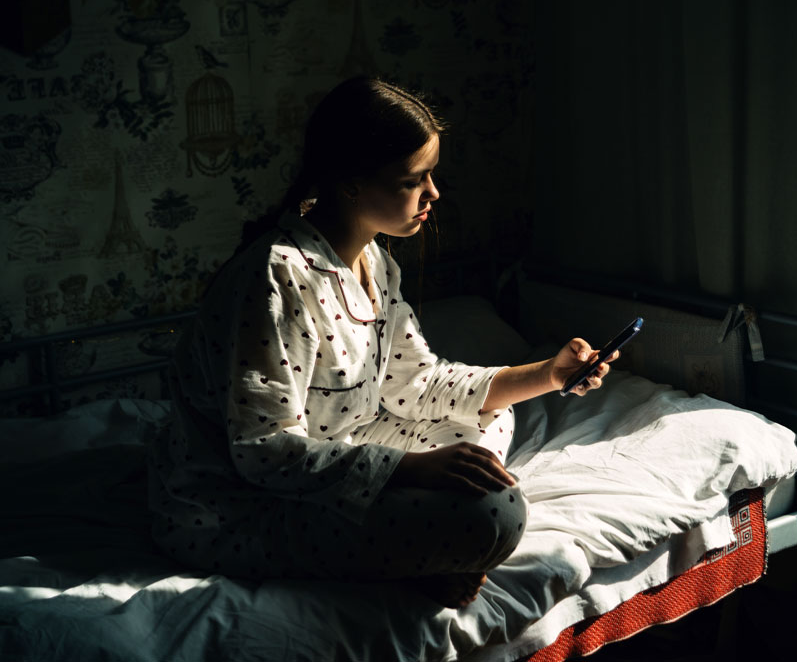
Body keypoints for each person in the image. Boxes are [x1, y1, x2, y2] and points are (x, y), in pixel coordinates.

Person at [148, 76, 618, 608]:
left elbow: (417, 384)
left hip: (341, 450)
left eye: (431, 175)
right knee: (496, 514)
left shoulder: (373, 261)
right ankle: (424, 559)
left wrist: (549, 374)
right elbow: (262, 451)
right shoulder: (277, 276)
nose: (433, 193)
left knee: (490, 416)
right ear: (351, 183)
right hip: (241, 503)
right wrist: (409, 468)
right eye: (414, 180)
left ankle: (429, 550)